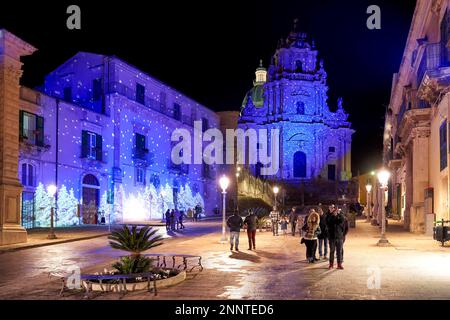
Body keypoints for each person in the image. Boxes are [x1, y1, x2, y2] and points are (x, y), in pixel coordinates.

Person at [326, 205, 346, 270]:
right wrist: (333, 216)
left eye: (336, 210)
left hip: (339, 237)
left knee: (339, 251)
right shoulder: (329, 216)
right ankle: (331, 265)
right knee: (332, 251)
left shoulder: (340, 216)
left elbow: (342, 221)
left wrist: (338, 215)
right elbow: (329, 222)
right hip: (332, 237)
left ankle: (339, 264)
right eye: (333, 210)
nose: (334, 211)